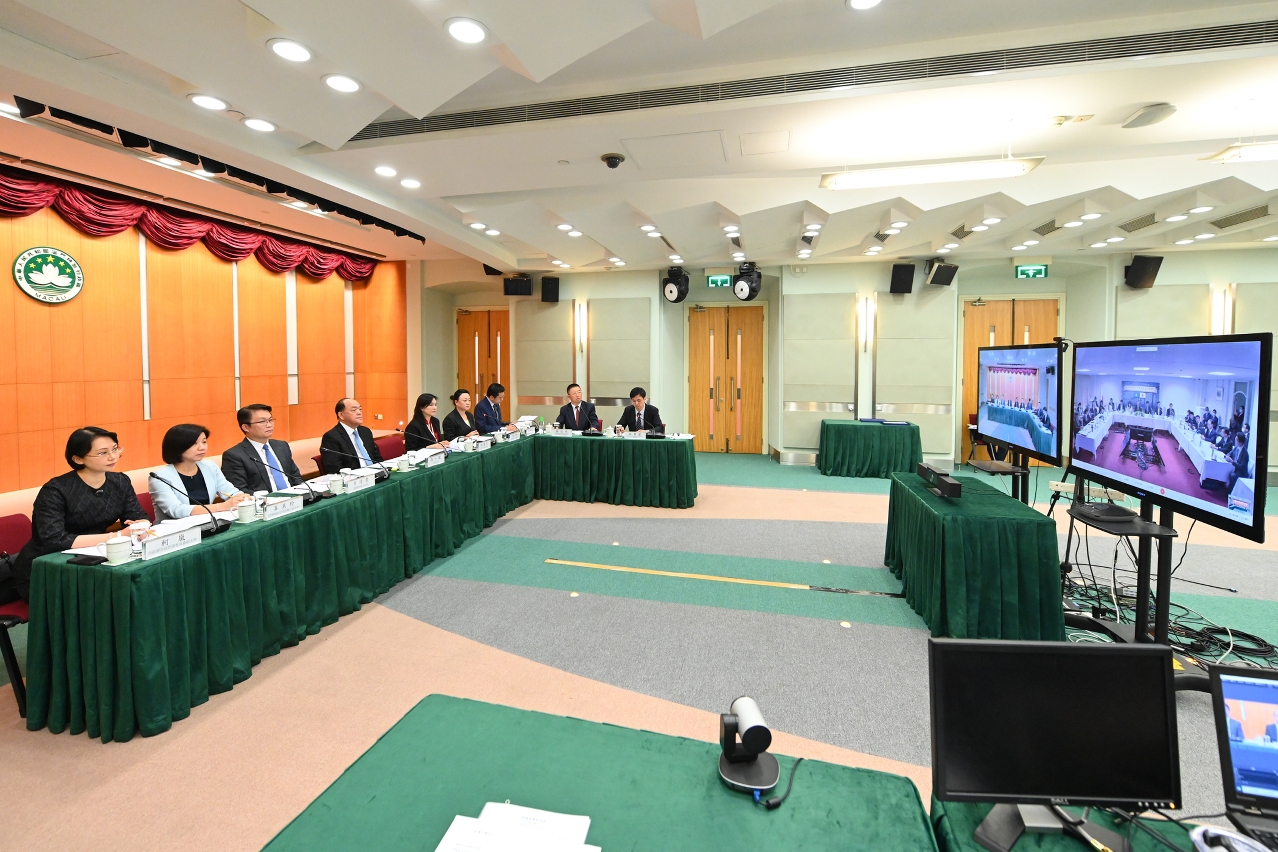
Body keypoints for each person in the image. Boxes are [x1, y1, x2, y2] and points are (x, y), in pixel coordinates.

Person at [11, 428, 150, 601]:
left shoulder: (120, 481)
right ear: (78, 459)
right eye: (102, 453)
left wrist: (141, 526)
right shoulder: (55, 490)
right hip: (48, 566)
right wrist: (117, 536)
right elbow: (55, 540)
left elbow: (137, 515)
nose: (113, 457)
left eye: (115, 449)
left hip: (94, 556)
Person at [149, 424, 249, 521]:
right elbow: (175, 510)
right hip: (176, 528)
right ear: (177, 446)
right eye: (194, 443)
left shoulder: (209, 466)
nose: (202, 447)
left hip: (208, 523)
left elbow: (230, 491)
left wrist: (240, 497)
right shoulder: (159, 477)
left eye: (204, 442)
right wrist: (221, 506)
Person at [221, 403, 305, 494]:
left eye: (270, 420)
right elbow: (239, 491)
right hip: (265, 501)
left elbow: (296, 477)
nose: (269, 425)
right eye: (262, 421)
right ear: (245, 427)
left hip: (295, 498)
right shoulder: (234, 455)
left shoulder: (282, 446)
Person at [320, 398, 384, 474]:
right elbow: (334, 469)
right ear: (341, 415)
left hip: (376, 473)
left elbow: (377, 457)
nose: (359, 413)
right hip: (355, 477)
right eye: (354, 410)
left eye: (360, 409)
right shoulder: (331, 437)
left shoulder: (365, 431)